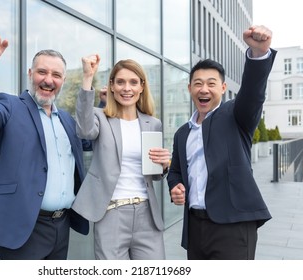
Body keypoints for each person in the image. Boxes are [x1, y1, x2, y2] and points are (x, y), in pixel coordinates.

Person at [0, 36, 90, 260]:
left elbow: (94, 137)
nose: (48, 80)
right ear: (30, 74)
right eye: (42, 72)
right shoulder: (10, 106)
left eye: (56, 75)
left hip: (61, 225)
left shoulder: (69, 122)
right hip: (24, 226)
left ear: (63, 81)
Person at [167, 25, 276, 260]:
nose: (203, 89)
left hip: (233, 226)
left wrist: (258, 54)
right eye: (197, 83)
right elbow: (175, 171)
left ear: (223, 88)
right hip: (196, 227)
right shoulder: (182, 133)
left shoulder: (236, 115)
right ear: (190, 89)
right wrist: (174, 187)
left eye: (211, 83)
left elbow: (253, 93)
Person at [71, 56, 171, 260]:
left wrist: (164, 165)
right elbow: (84, 130)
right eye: (120, 82)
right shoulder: (100, 117)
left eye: (134, 82)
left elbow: (155, 174)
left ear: (142, 87)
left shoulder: (153, 123)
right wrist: (88, 77)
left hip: (147, 215)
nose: (127, 88)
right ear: (112, 87)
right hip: (111, 214)